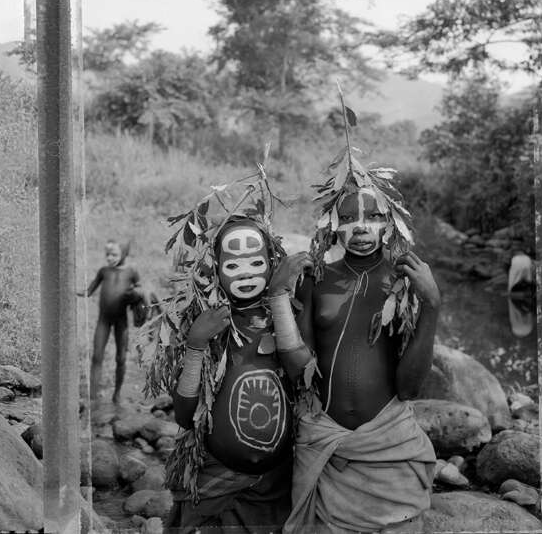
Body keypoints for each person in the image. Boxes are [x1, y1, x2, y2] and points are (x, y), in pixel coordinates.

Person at [276, 175, 440, 533]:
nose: (361, 227)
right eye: (348, 218)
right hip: (325, 445)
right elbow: (299, 372)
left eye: (373, 217)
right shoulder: (315, 281)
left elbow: (409, 389)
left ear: (390, 223)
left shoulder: (405, 282)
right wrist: (279, 295)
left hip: (389, 446)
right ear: (332, 226)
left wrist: (432, 304)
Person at [166, 215, 312, 533]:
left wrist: (279, 297)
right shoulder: (208, 323)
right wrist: (196, 345)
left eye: (256, 263)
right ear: (215, 269)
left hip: (274, 489)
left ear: (272, 264)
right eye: (233, 266)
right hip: (215, 486)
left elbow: (305, 378)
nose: (245, 273)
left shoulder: (287, 318)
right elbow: (184, 416)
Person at [83, 240, 141, 404]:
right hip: (104, 320)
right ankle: (93, 396)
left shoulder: (131, 271)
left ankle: (117, 394)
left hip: (121, 321)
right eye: (107, 254)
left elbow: (141, 289)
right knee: (97, 356)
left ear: (124, 254)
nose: (109, 258)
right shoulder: (104, 271)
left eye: (114, 255)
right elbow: (88, 291)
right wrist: (71, 290)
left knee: (121, 358)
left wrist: (135, 295)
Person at [507, 246, 536, 338]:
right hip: (526, 329)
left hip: (523, 329)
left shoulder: (515, 258)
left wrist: (510, 289)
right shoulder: (527, 258)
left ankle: (515, 292)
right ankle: (528, 292)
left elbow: (513, 275)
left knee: (515, 313)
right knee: (527, 277)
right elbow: (529, 274)